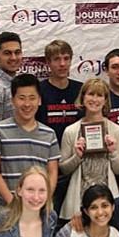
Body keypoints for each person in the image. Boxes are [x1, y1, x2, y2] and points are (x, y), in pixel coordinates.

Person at [0, 73, 60, 205]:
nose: (27, 104)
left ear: (39, 100)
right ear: (13, 100)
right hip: (8, 210)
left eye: (32, 98)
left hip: (40, 210)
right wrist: (13, 203)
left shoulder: (50, 134)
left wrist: (43, 200)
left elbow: (53, 172)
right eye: (21, 98)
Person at [59, 78, 119, 220]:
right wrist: (77, 156)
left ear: (105, 100)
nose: (94, 99)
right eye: (90, 94)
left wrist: (113, 152)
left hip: (107, 201)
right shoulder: (70, 131)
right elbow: (64, 169)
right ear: (83, 98)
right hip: (78, 202)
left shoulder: (117, 131)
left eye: (99, 95)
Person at [36, 40, 83, 217]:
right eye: (56, 59)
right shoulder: (39, 90)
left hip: (76, 164)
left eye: (66, 58)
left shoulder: (80, 90)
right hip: (47, 165)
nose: (62, 64)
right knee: (49, 216)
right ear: (48, 62)